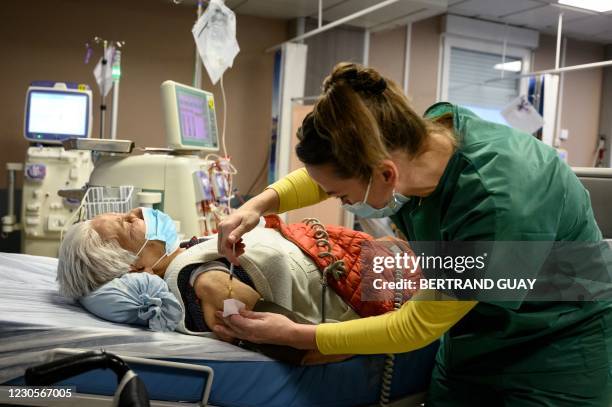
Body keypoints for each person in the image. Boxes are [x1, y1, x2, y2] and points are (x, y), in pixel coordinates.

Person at [215, 62, 612, 405]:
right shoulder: (418, 143)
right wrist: (259, 205)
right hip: (474, 337)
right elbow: (326, 177)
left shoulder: (496, 203)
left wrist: (303, 336)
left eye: (340, 195)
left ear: (386, 174)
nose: (338, 200)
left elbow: (416, 325)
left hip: (559, 345)